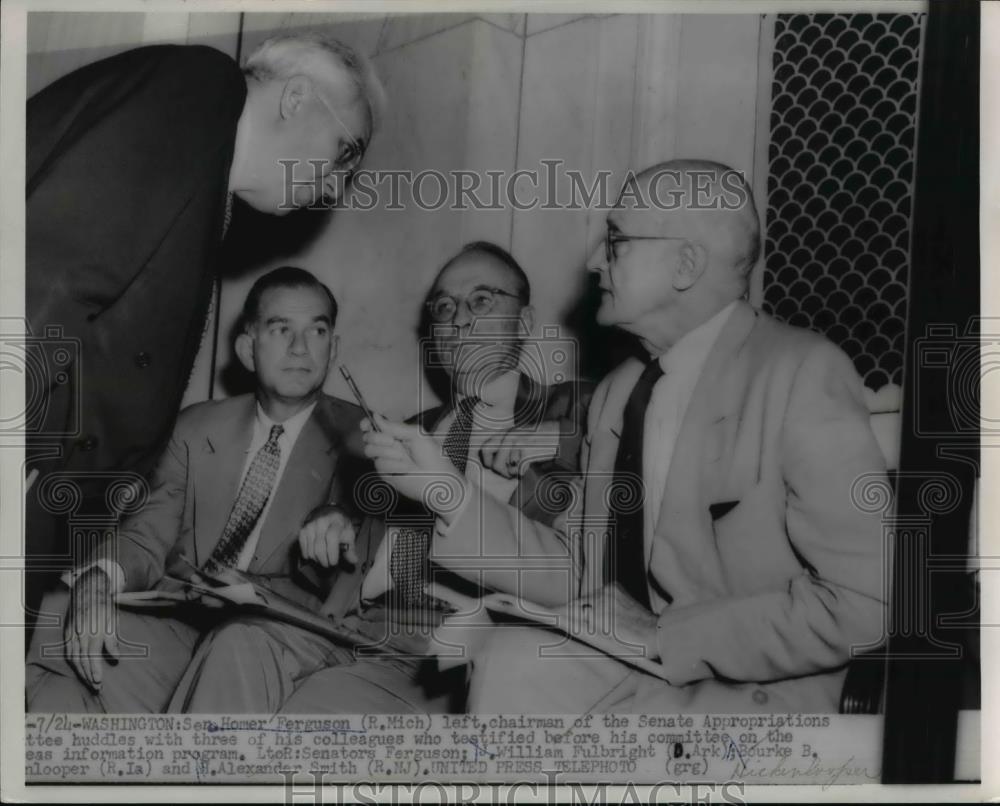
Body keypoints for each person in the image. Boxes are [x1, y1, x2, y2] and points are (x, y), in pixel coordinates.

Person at [363, 161, 889, 713]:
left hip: (757, 689)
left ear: (685, 264)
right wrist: (443, 490)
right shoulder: (618, 392)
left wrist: (668, 636)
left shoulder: (800, 373)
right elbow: (579, 572)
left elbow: (869, 600)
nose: (593, 262)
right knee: (509, 658)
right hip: (635, 666)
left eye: (615, 242)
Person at [24, 33, 383, 618]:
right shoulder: (201, 86)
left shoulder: (204, 170)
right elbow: (47, 272)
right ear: (296, 99)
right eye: (346, 152)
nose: (339, 184)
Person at [169, 242, 593, 714]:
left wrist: (556, 436)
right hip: (357, 627)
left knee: (315, 712)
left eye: (481, 301)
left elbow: (641, 431)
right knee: (236, 646)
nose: (458, 320)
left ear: (526, 322)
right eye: (444, 307)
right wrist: (333, 525)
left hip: (458, 650)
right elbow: (337, 561)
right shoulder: (408, 431)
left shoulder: (578, 409)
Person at [26, 267, 367, 713]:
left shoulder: (365, 438)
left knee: (233, 646)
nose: (300, 348)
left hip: (283, 635)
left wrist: (338, 522)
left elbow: (363, 541)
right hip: (186, 619)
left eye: (316, 330)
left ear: (333, 347)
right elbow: (148, 531)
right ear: (248, 349)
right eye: (281, 328)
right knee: (52, 626)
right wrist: (98, 579)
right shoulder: (195, 426)